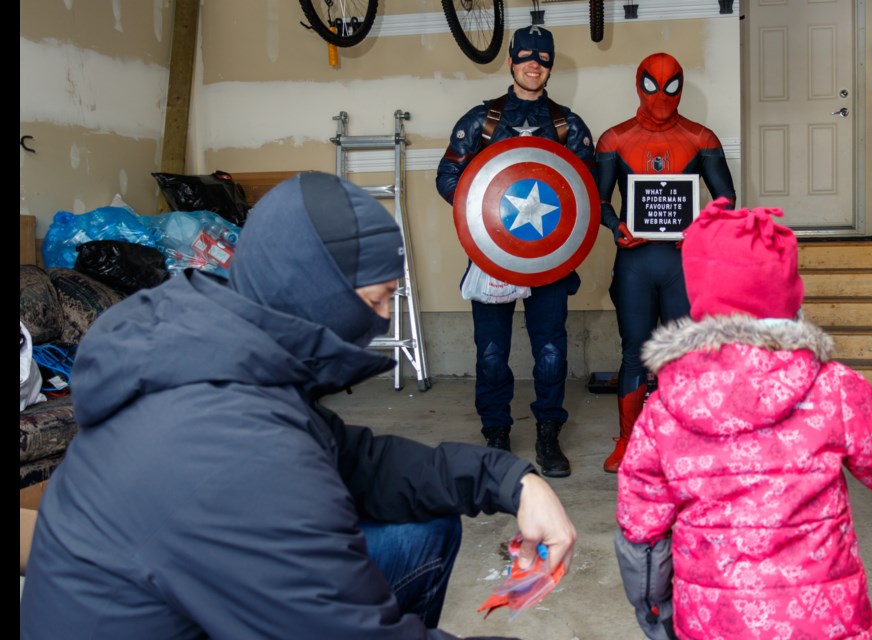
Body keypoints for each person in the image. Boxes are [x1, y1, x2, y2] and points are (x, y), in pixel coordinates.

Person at [20, 172, 577, 639]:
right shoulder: (223, 439)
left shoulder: (218, 345)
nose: (383, 320)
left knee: (420, 524)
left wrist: (511, 480)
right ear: (315, 288)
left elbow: (351, 459)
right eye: (378, 300)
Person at [615, 199, 872, 640]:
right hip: (824, 620)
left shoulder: (665, 407)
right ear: (788, 295)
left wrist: (654, 608)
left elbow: (642, 530)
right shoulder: (834, 386)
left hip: (712, 621)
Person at [436, 25, 595, 478]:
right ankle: (496, 435)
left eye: (542, 58)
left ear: (550, 65)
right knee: (490, 350)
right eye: (525, 56)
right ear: (510, 61)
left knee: (550, 350)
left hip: (551, 258)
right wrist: (487, 219)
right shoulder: (482, 120)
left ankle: (548, 433)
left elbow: (587, 191)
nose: (533, 64)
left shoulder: (567, 125)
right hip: (493, 257)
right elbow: (448, 177)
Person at [596, 52, 737, 473]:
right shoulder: (614, 139)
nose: (661, 95)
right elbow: (599, 201)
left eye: (670, 85)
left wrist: (702, 228)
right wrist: (618, 225)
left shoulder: (701, 137)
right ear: (638, 84)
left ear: (682, 84)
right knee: (634, 353)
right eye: (652, 85)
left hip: (681, 263)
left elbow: (726, 201)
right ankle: (627, 441)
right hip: (635, 261)